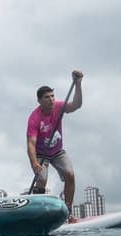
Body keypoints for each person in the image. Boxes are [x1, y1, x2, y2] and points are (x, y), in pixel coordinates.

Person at [26, 71, 83, 222]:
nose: (51, 100)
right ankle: (37, 217)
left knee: (70, 175)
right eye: (47, 97)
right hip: (40, 154)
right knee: (42, 180)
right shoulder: (34, 118)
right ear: (39, 100)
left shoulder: (59, 107)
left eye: (52, 96)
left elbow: (76, 105)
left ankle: (68, 213)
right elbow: (30, 143)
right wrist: (34, 163)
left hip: (57, 151)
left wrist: (78, 84)